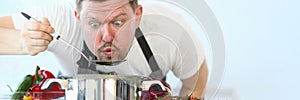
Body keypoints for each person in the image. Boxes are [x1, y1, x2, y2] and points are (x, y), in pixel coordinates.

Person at [0, 0, 208, 98]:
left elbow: (197, 76)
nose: (107, 37)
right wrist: (19, 41)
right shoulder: (58, 22)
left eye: (118, 22)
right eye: (94, 24)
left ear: (138, 16)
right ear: (78, 18)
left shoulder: (170, 30)